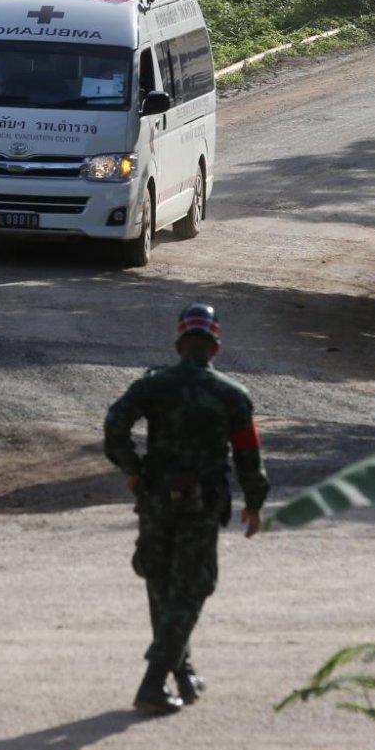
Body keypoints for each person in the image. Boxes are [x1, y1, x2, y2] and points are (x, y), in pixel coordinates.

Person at [104, 302, 269, 715]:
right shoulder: (233, 395)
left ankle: (183, 672)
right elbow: (249, 457)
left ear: (180, 345)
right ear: (215, 347)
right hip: (201, 505)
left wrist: (133, 469)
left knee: (161, 585)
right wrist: (254, 504)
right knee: (192, 587)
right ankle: (154, 681)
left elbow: (114, 425)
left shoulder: (153, 386)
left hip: (155, 499)